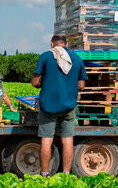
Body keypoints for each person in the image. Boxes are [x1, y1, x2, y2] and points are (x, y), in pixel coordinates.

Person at [31, 35, 87, 176]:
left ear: (52, 43)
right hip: (68, 106)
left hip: (48, 106)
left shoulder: (45, 56)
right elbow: (81, 86)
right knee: (68, 139)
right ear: (66, 44)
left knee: (47, 139)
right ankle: (66, 173)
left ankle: (44, 174)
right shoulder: (77, 59)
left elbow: (35, 83)